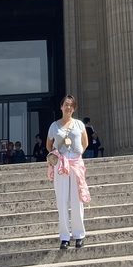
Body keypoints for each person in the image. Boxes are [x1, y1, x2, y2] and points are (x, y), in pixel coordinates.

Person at [47, 94, 90, 249]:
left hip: (76, 162)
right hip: (61, 163)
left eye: (71, 105)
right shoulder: (54, 126)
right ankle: (64, 237)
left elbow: (85, 142)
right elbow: (48, 144)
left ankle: (79, 235)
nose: (68, 107)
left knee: (77, 200)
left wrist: (77, 155)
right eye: (66, 104)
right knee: (62, 200)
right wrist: (58, 156)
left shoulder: (79, 125)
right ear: (61, 107)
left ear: (74, 108)